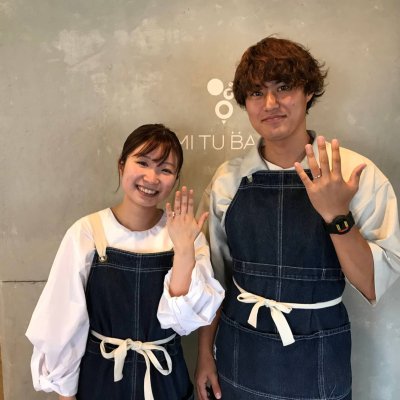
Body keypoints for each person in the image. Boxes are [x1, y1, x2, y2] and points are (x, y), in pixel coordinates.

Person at [195, 37, 400, 400]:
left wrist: (337, 215)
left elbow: (372, 284)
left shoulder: (354, 174)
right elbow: (213, 280)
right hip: (239, 354)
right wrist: (204, 356)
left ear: (308, 92)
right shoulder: (228, 180)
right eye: (257, 92)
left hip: (319, 358)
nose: (270, 104)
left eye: (284, 87)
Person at [26, 123, 224, 400]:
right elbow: (62, 321)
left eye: (165, 169)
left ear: (176, 179)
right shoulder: (87, 232)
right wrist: (65, 392)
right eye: (142, 162)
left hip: (165, 380)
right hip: (99, 377)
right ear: (121, 165)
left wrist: (183, 251)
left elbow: (184, 322)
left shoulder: (188, 234)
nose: (151, 177)